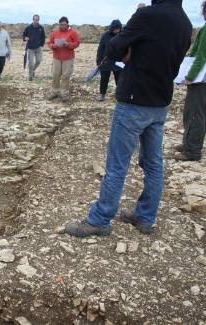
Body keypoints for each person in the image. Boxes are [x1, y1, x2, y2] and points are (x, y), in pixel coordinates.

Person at [66, 0, 192, 237]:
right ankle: (145, 218)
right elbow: (174, 66)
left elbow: (113, 48)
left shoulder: (147, 15)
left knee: (117, 165)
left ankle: (100, 220)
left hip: (135, 100)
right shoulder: (185, 22)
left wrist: (135, 23)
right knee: (153, 164)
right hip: (161, 101)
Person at [175, 1, 206, 161]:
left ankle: (192, 150)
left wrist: (189, 76)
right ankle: (189, 143)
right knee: (196, 112)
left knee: (194, 113)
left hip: (201, 80)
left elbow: (200, 56)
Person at [48, 17, 80, 102]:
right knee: (55, 75)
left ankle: (64, 94)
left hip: (68, 58)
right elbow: (50, 42)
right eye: (61, 24)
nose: (63, 26)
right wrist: (52, 46)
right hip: (57, 57)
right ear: (59, 24)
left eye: (64, 25)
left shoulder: (72, 33)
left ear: (67, 24)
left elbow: (77, 43)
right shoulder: (55, 33)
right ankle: (55, 92)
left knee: (66, 76)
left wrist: (68, 44)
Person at [96, 20, 123, 101]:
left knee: (119, 80)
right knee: (104, 78)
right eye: (115, 28)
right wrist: (98, 60)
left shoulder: (122, 35)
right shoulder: (105, 35)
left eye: (118, 28)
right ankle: (102, 95)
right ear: (112, 28)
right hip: (106, 60)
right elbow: (100, 49)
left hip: (118, 61)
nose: (116, 30)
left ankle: (119, 96)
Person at [23, 14, 45, 81]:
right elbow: (24, 34)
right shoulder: (29, 27)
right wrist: (25, 38)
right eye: (35, 19)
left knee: (38, 61)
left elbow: (43, 37)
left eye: (37, 20)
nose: (36, 21)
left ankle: (32, 71)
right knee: (31, 63)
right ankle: (30, 76)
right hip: (30, 48)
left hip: (38, 47)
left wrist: (41, 45)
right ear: (33, 20)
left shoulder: (41, 28)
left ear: (39, 20)